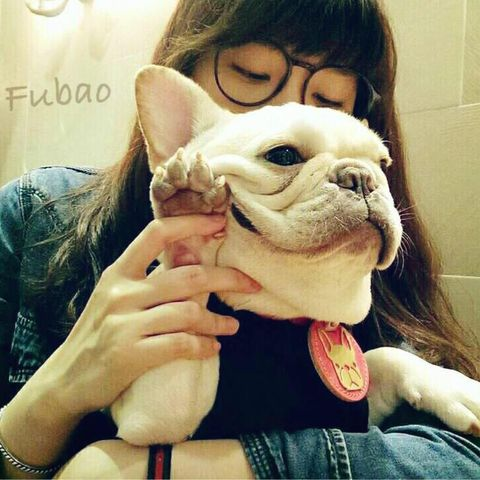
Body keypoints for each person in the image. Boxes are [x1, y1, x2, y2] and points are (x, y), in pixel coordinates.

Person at [0, 0, 479, 478]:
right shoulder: (39, 213)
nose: (290, 108)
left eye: (330, 99)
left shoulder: (371, 288)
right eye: (251, 75)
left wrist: (167, 470)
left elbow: (459, 456)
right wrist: (56, 396)